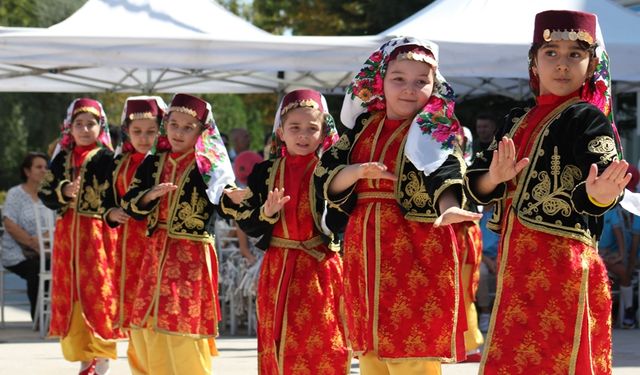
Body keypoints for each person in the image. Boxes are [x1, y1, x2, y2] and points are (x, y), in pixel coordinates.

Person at [464, 10, 631, 374]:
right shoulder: (515, 118)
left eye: (575, 53)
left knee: (558, 357)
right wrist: (495, 177)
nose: (562, 64)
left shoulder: (587, 118)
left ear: (590, 65)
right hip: (515, 262)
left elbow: (602, 187)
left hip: (563, 264)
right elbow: (478, 181)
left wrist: (601, 193)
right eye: (551, 52)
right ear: (534, 63)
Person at [315, 36, 481, 374]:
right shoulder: (362, 128)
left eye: (421, 81)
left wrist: (449, 206)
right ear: (381, 80)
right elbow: (327, 175)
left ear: (435, 86)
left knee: (412, 347)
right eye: (399, 79)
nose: (409, 89)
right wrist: (357, 171)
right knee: (371, 348)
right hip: (365, 247)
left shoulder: (436, 130)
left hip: (417, 244)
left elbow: (448, 170)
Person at [221, 89, 351, 374]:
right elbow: (247, 222)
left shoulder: (330, 171)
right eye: (295, 127)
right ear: (280, 131)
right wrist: (266, 214)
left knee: (324, 341)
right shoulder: (264, 172)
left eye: (311, 128)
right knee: (278, 340)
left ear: (323, 132)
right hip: (279, 268)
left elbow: (341, 219)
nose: (303, 135)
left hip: (320, 268)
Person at [121, 93, 235, 375]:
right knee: (147, 324)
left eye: (188, 127)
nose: (179, 132)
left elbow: (225, 199)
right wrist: (149, 195)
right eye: (174, 125)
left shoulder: (208, 165)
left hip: (191, 255)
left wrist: (236, 197)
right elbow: (130, 203)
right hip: (156, 250)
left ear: (201, 131)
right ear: (166, 125)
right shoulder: (153, 162)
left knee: (182, 324)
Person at [39, 98, 119, 375]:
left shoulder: (108, 159)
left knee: (98, 289)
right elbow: (45, 193)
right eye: (79, 124)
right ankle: (85, 358)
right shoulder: (62, 157)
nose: (85, 129)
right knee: (72, 291)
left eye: (91, 124)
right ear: (69, 127)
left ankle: (102, 354)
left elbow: (117, 195)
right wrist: (64, 190)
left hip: (97, 234)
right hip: (67, 235)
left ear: (101, 127)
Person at [104, 96, 168, 374]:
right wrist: (111, 213)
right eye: (137, 132)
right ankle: (140, 369)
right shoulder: (118, 164)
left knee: (160, 307)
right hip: (129, 245)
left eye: (151, 131)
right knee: (134, 309)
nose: (144, 138)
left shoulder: (165, 162)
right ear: (127, 132)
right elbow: (104, 202)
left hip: (160, 243)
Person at [1, 152, 51, 320]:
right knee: (36, 269)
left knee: (58, 266)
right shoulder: (16, 194)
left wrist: (42, 243)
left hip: (45, 250)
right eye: (38, 167)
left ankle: (57, 318)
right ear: (27, 171)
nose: (44, 171)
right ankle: (39, 319)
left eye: (46, 167)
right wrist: (33, 243)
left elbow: (55, 224)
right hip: (16, 253)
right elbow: (9, 223)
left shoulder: (49, 196)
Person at [452, 127, 484, 361]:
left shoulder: (472, 168)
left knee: (463, 292)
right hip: (446, 234)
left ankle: (469, 344)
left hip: (464, 236)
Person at [599, 165, 639, 328]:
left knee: (623, 271)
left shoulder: (630, 211)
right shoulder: (607, 207)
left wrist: (624, 258)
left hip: (621, 256)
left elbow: (627, 241)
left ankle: (628, 311)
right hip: (598, 253)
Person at [476, 203, 499, 333]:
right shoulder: (477, 215)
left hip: (500, 256)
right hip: (482, 257)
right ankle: (485, 313)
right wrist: (488, 261)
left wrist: (497, 259)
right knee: (481, 273)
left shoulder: (502, 211)